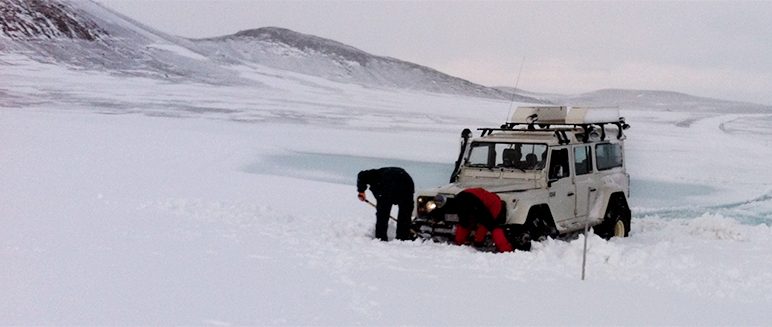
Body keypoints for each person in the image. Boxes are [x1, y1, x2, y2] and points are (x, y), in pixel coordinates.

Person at [357, 167, 415, 241]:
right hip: (406, 182)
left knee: (383, 215)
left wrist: (361, 191)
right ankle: (402, 239)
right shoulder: (377, 174)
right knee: (404, 216)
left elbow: (361, 175)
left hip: (397, 186)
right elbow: (361, 176)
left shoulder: (373, 175)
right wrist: (361, 191)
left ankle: (381, 238)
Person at [453, 188, 513, 252]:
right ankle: (505, 248)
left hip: (459, 197)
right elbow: (485, 224)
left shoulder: (486, 195)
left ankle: (458, 244)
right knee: (493, 226)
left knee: (464, 222)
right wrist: (478, 241)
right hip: (474, 200)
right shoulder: (497, 204)